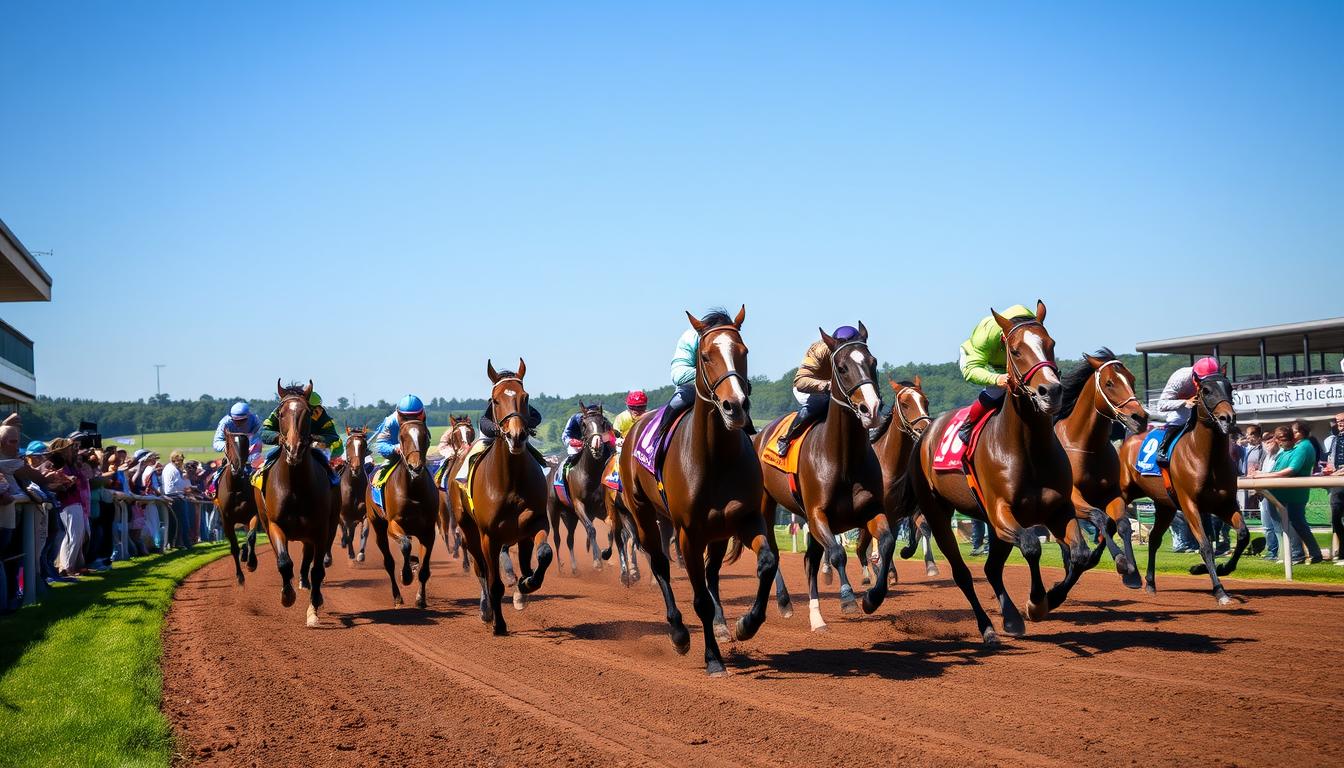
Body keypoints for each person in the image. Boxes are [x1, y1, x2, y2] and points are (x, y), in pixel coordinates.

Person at [650, 309, 757, 442]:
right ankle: (655, 442)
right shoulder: (691, 336)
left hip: (729, 391)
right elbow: (678, 375)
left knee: (747, 418)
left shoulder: (731, 337)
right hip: (693, 390)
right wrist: (713, 377)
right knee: (674, 406)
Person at [955, 304, 1039, 446]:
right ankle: (968, 426)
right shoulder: (987, 333)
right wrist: (996, 378)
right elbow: (971, 369)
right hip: (985, 362)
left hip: (1016, 361)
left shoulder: (1033, 328)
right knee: (996, 391)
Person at [773, 325, 862, 457]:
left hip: (840, 391)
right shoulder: (819, 350)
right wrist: (826, 386)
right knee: (823, 401)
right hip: (810, 389)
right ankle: (786, 438)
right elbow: (800, 381)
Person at [1252, 425, 1323, 564]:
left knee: (1294, 523)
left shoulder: (1302, 447)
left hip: (1293, 494)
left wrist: (1264, 475)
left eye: (1292, 433)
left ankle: (1297, 555)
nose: (1290, 437)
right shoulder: (1288, 450)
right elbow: (1278, 469)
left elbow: (1292, 470)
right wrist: (1262, 475)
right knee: (1293, 524)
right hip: (1281, 494)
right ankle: (1303, 554)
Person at [260, 390, 342, 484]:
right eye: (311, 407)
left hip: (314, 447)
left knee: (330, 472)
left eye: (315, 407)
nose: (315, 410)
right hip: (285, 446)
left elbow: (333, 435)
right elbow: (264, 432)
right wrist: (277, 438)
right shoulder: (282, 410)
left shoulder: (320, 413)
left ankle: (333, 485)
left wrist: (320, 440)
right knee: (267, 460)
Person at [1153, 357, 1221, 464]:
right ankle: (1163, 450)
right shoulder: (1180, 378)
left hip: (1200, 409)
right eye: (1202, 380)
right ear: (1195, 375)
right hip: (1179, 410)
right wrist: (1185, 402)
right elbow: (1161, 405)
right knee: (1179, 419)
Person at [371, 395, 427, 467]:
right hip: (394, 457)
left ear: (422, 412)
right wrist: (395, 448)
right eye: (406, 418)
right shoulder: (390, 422)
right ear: (399, 415)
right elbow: (381, 445)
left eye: (416, 417)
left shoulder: (423, 418)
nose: (412, 421)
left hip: (418, 456)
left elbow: (426, 440)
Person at [161, 451, 195, 548]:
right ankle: (185, 543)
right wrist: (183, 489)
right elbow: (169, 488)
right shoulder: (171, 470)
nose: (182, 462)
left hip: (177, 496)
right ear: (174, 460)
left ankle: (179, 543)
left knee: (180, 523)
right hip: (174, 497)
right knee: (182, 523)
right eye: (180, 459)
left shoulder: (173, 469)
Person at [1324, 412, 1344, 564]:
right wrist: (1330, 469)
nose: (1340, 423)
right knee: (1335, 518)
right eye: (1338, 421)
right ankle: (1342, 551)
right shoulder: (1335, 439)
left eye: (1343, 421)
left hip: (1340, 477)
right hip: (1337, 482)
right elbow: (1331, 459)